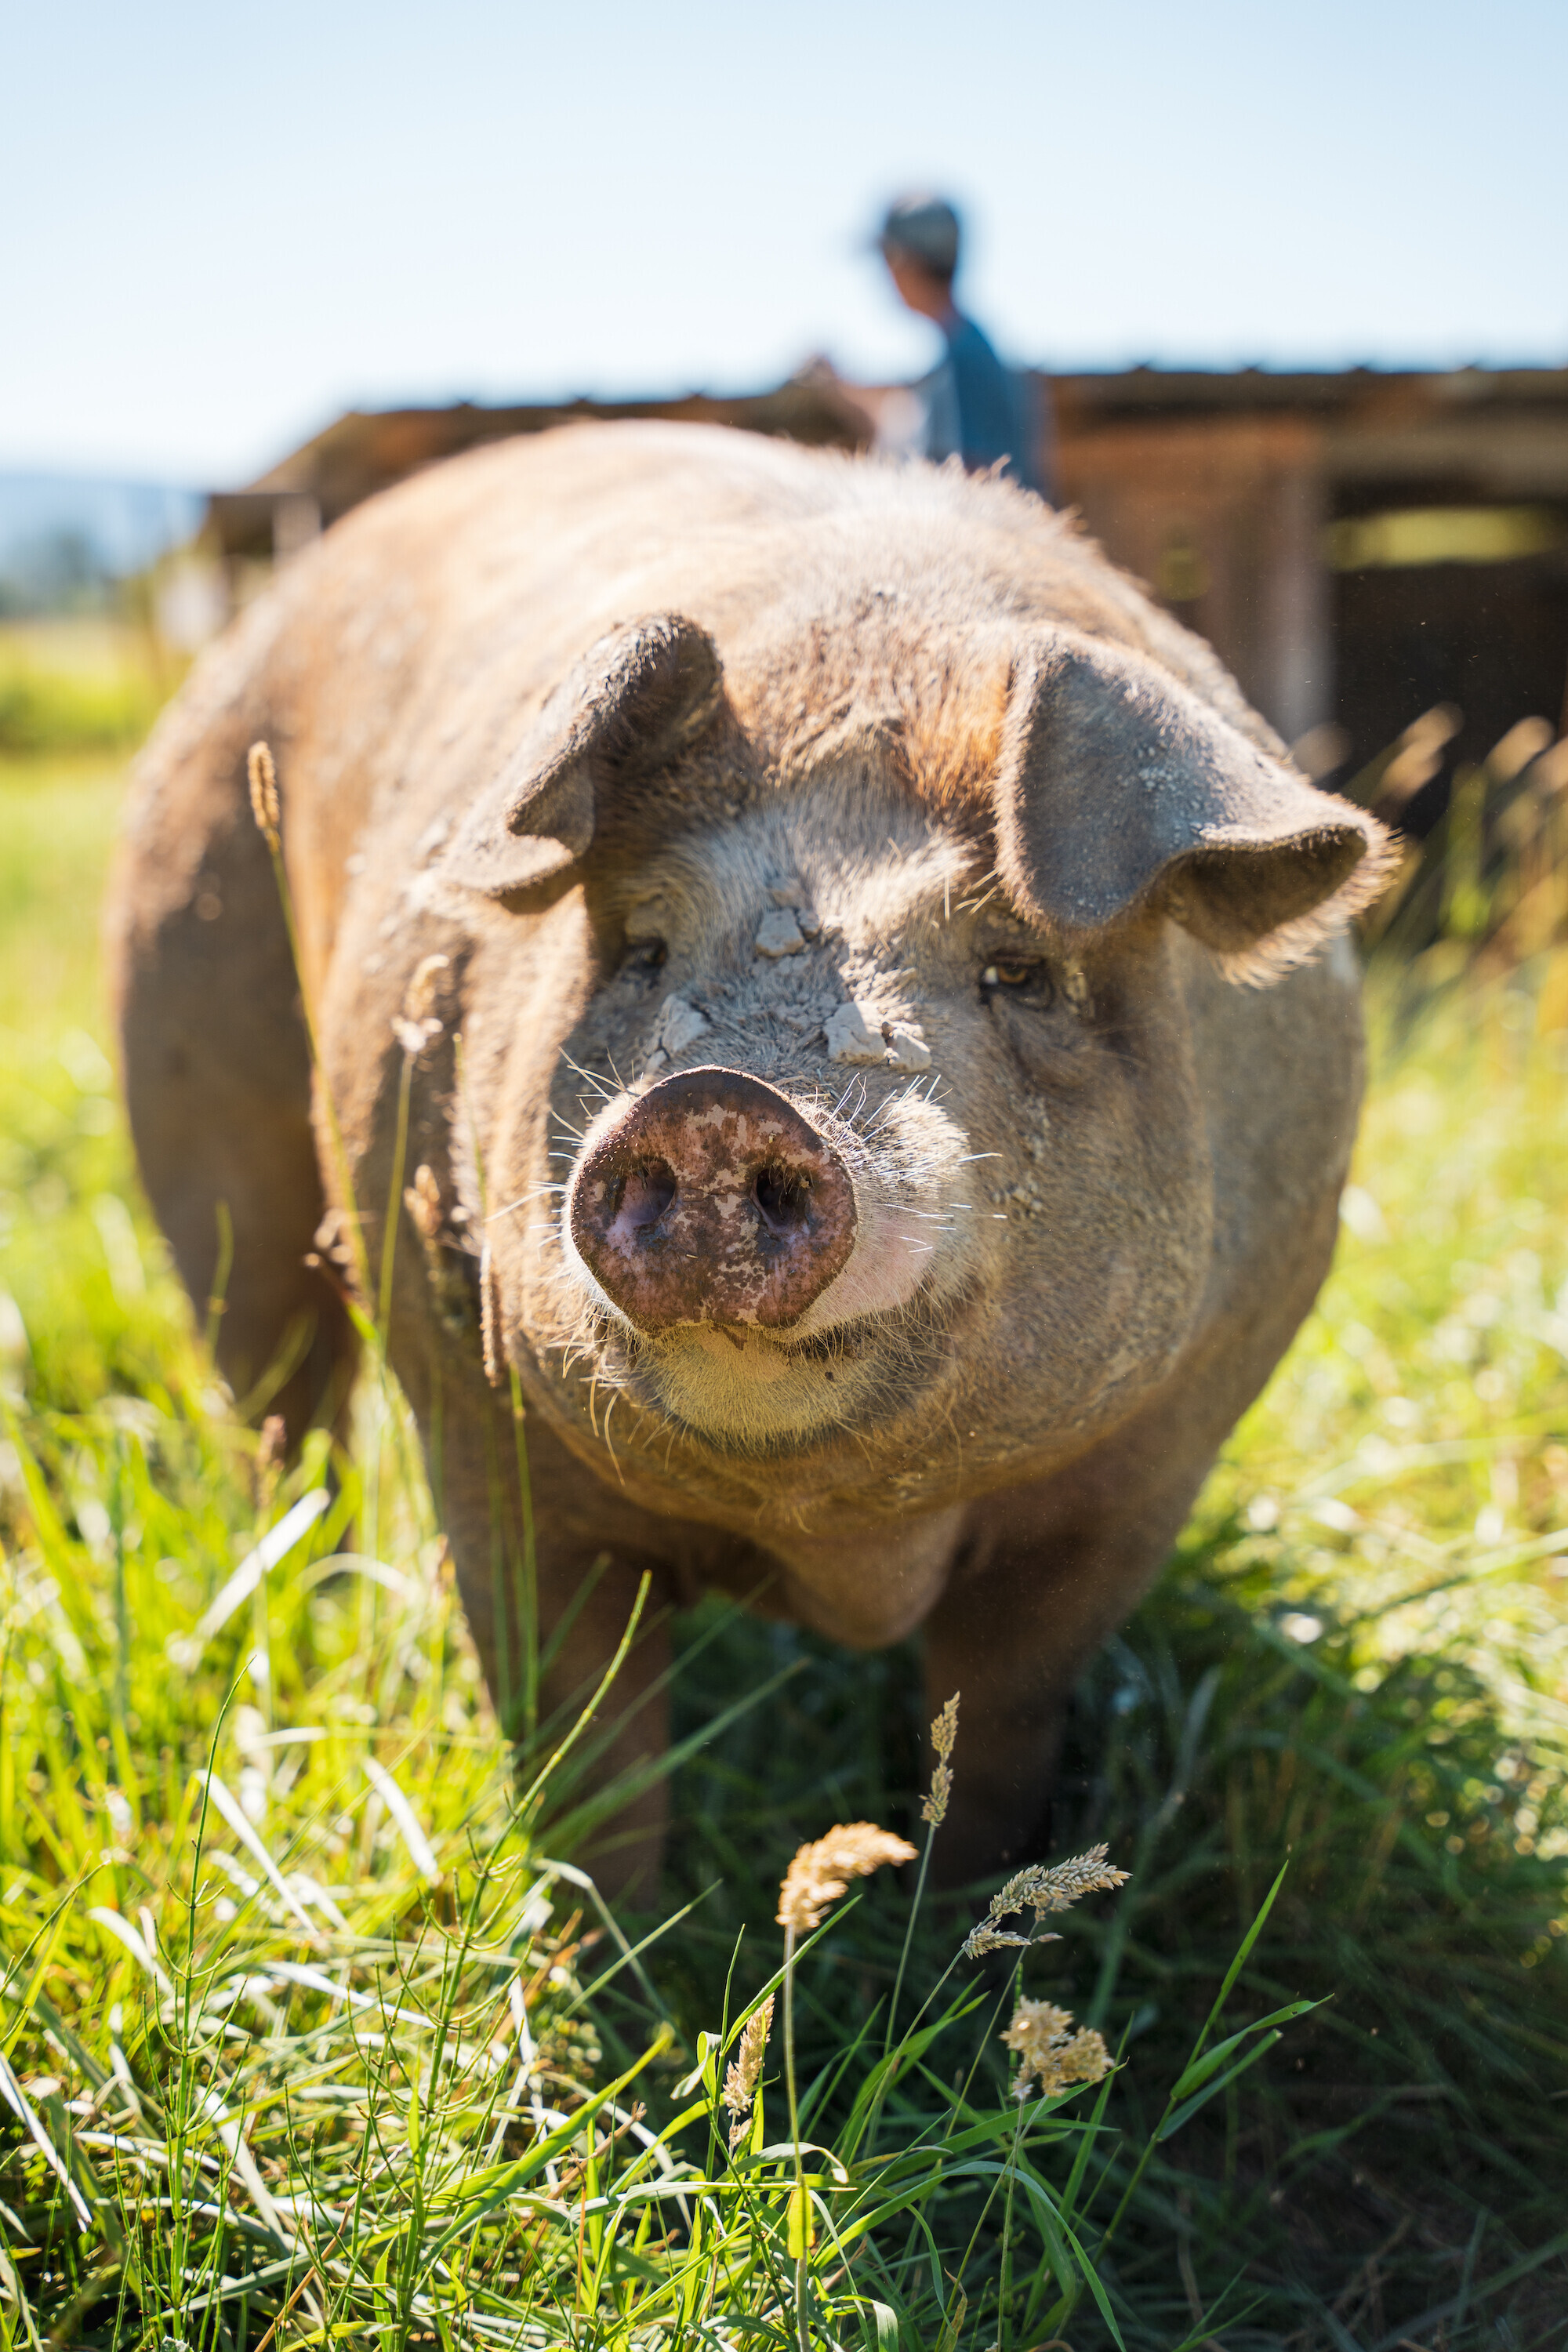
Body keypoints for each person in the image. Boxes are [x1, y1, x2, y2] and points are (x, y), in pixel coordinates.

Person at [875, 193, 1051, 499]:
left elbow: (975, 479)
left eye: (886, 260)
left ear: (905, 260)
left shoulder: (966, 359)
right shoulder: (967, 349)